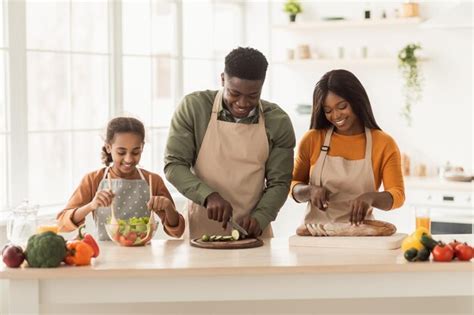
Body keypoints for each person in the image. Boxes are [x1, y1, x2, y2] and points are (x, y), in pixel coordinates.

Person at [164, 47, 295, 239]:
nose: (242, 103)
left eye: (252, 95)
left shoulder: (277, 121)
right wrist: (208, 196)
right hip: (200, 229)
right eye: (234, 93)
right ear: (223, 79)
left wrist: (261, 217)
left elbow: (280, 182)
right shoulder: (194, 107)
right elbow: (174, 165)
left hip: (253, 232)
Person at [291, 69, 405, 236]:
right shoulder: (312, 139)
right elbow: (292, 184)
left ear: (356, 101)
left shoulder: (383, 143)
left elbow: (398, 194)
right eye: (328, 110)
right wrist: (309, 191)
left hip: (360, 236)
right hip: (315, 236)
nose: (336, 115)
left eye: (342, 106)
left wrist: (370, 198)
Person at [57, 117, 185, 241]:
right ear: (108, 147)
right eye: (121, 152)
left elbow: (177, 232)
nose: (129, 159)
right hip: (105, 257)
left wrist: (168, 207)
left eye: (135, 152)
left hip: (143, 257)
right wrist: (91, 205)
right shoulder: (93, 180)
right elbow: (62, 223)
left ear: (142, 147)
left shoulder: (153, 180)